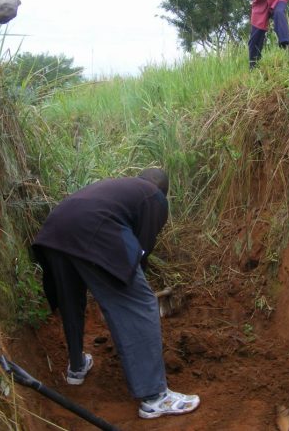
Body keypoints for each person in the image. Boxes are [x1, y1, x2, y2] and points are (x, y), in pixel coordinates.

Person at [32, 168, 200, 420]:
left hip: (54, 232)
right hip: (91, 230)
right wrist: (131, 288)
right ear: (163, 190)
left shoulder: (117, 187)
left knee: (72, 301)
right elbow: (142, 247)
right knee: (141, 303)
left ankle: (76, 368)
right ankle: (155, 397)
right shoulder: (155, 196)